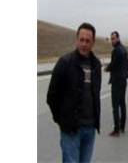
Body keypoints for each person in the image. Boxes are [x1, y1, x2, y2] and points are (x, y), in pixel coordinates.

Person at [47, 23, 102, 163]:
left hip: (89, 129)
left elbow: (95, 94)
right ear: (77, 40)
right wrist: (61, 120)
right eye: (81, 40)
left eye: (87, 41)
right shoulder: (65, 63)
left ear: (93, 43)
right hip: (71, 130)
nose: (84, 44)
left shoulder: (96, 65)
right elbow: (52, 96)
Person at [104, 31, 128, 136]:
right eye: (111, 38)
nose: (112, 41)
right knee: (122, 103)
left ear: (118, 38)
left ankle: (116, 129)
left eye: (114, 38)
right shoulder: (124, 50)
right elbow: (126, 65)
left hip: (117, 81)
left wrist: (106, 68)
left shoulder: (116, 51)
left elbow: (113, 65)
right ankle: (122, 127)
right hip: (123, 80)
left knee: (115, 106)